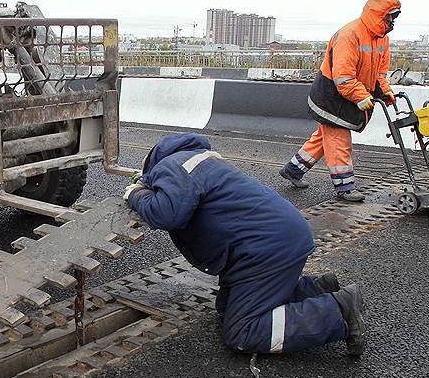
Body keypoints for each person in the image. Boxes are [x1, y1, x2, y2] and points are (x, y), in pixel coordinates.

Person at [125, 132, 367, 357]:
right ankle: (315, 289)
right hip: (273, 242)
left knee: (243, 332)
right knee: (226, 308)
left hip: (265, 252)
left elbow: (166, 213)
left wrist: (136, 193)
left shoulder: (171, 166)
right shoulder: (201, 159)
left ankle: (337, 312)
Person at [279, 0, 401, 202]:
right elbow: (343, 77)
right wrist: (360, 96)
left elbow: (380, 73)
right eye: (389, 17)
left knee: (323, 137)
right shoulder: (350, 35)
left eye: (394, 17)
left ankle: (293, 169)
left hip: (349, 94)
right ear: (377, 15)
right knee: (338, 140)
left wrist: (385, 91)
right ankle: (345, 186)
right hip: (332, 97)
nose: (392, 22)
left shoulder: (382, 39)